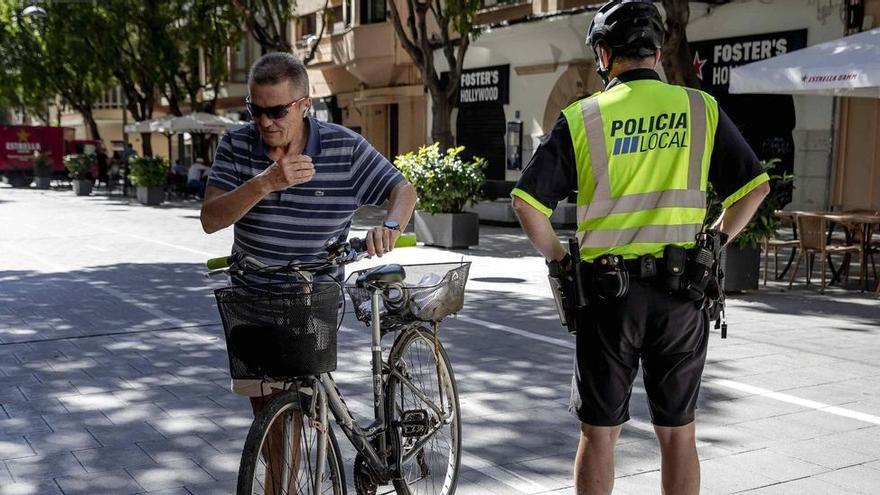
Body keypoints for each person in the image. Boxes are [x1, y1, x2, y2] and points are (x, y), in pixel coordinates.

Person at [510, 1, 770, 494]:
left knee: (599, 433)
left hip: (608, 299)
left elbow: (526, 204)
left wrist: (563, 263)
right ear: (656, 50)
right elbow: (754, 187)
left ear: (605, 54)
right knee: (678, 435)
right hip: (682, 295)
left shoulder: (584, 117)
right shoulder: (700, 109)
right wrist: (714, 242)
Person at [200, 50, 416, 471]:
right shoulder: (237, 144)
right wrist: (266, 182)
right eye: (255, 110)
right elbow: (211, 219)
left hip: (313, 297)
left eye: (277, 111)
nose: (264, 122)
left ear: (304, 105)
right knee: (270, 414)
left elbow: (402, 189)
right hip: (253, 296)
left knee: (295, 413)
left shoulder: (343, 147)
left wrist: (389, 225)